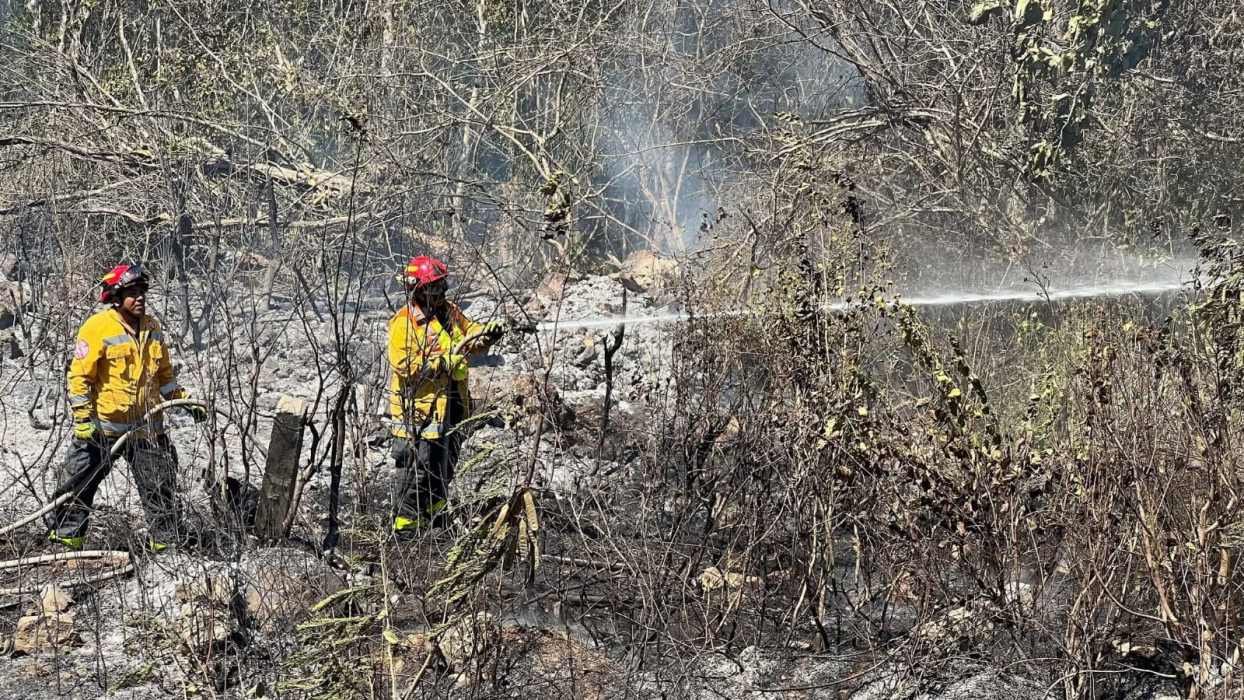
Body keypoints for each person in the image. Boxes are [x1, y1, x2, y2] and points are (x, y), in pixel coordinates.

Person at [45, 264, 207, 551]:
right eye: (132, 293)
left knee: (160, 488)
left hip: (147, 430)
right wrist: (83, 420)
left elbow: (165, 377)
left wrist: (184, 400)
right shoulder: (97, 327)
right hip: (102, 430)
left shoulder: (152, 328)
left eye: (142, 291)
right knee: (77, 484)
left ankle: (165, 547)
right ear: (116, 298)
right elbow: (80, 377)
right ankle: (66, 542)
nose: (140, 298)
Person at [387, 255, 504, 537]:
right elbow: (404, 365)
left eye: (441, 285)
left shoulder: (449, 313)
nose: (440, 292)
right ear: (417, 289)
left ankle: (436, 520)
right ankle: (406, 528)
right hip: (418, 412)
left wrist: (488, 333)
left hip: (449, 405)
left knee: (443, 465)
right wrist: (441, 363)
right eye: (434, 287)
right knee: (417, 469)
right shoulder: (404, 323)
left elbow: (470, 334)